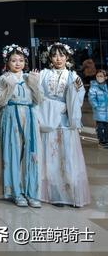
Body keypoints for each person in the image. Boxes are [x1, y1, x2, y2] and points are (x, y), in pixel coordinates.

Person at [38, 42, 90, 207]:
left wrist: (70, 100)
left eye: (61, 55)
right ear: (49, 58)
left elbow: (79, 97)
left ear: (67, 57)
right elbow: (37, 95)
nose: (58, 59)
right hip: (48, 120)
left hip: (66, 121)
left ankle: (70, 193)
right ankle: (54, 193)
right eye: (54, 55)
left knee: (68, 156)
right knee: (50, 157)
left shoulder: (73, 76)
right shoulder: (44, 74)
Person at [0, 44, 43, 208]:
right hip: (11, 114)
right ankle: (15, 192)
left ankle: (31, 192)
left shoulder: (30, 77)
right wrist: (10, 87)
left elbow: (38, 101)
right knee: (12, 153)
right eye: (13, 60)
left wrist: (34, 84)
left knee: (31, 153)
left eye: (21, 60)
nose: (17, 63)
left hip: (28, 115)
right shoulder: (2, 79)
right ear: (7, 62)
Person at [89, 69, 108, 148]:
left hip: (107, 110)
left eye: (101, 76)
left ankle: (106, 140)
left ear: (106, 77)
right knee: (100, 127)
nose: (99, 78)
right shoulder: (94, 87)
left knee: (107, 127)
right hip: (99, 111)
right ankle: (101, 140)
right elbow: (91, 98)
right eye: (98, 76)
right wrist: (96, 106)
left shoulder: (106, 86)